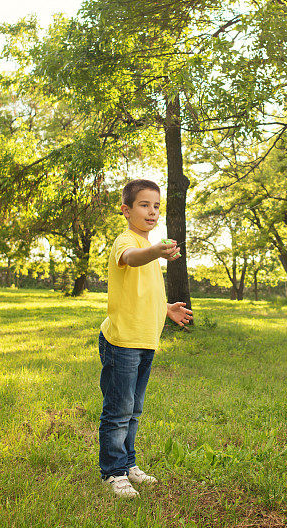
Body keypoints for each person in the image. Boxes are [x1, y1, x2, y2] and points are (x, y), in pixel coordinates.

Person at [98, 178, 192, 498]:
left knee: (134, 409)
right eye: (144, 205)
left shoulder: (149, 249)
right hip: (122, 342)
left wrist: (166, 309)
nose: (152, 212)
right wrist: (154, 251)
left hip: (145, 340)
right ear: (126, 210)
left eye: (156, 206)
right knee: (118, 409)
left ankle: (128, 464)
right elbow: (131, 260)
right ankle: (113, 472)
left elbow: (142, 291)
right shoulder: (127, 242)